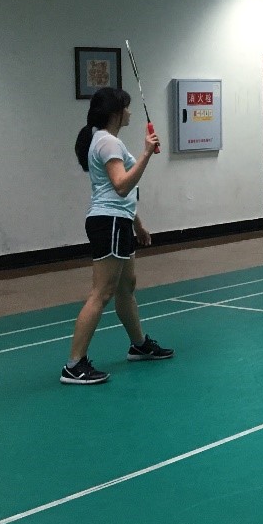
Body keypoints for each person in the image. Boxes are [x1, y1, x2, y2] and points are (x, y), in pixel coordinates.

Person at [62, 87, 172, 385]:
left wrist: (137, 225)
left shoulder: (104, 140)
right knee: (102, 292)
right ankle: (74, 365)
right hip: (108, 222)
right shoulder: (107, 142)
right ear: (115, 112)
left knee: (126, 287)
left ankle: (139, 345)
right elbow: (121, 185)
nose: (130, 112)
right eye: (127, 107)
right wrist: (146, 153)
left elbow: (119, 195)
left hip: (118, 221)